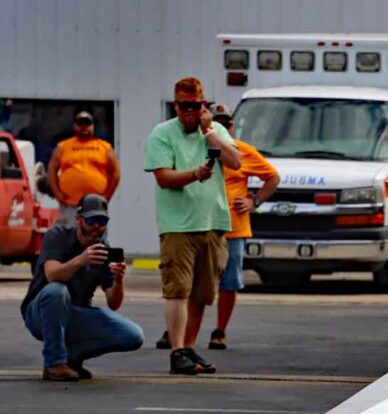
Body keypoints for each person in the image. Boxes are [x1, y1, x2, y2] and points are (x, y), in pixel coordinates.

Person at [143, 77, 241, 375]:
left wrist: (209, 131)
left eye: (196, 106)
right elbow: (163, 177)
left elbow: (235, 161)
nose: (190, 111)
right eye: (184, 106)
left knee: (201, 293)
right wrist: (194, 174)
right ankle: (177, 352)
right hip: (178, 225)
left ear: (204, 105)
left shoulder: (216, 131)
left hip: (213, 222)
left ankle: (188, 347)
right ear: (176, 105)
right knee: (178, 290)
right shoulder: (162, 134)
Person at [20, 194, 143, 381]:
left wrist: (118, 280)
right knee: (57, 291)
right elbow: (52, 275)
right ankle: (55, 364)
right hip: (41, 313)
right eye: (91, 220)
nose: (96, 227)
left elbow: (114, 303)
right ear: (78, 219)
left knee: (132, 335)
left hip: (76, 313)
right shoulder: (57, 236)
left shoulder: (103, 249)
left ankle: (71, 357)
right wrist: (81, 260)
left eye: (101, 221)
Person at [207, 103, 279, 349]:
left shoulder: (243, 151)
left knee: (229, 282)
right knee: (193, 281)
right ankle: (178, 330)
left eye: (227, 122)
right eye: (218, 122)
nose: (223, 126)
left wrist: (254, 201)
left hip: (233, 228)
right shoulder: (196, 148)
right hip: (202, 225)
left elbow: (273, 177)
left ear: (232, 125)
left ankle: (220, 330)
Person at [47, 111, 121, 227]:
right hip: (70, 204)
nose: (84, 128)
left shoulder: (104, 147)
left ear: (93, 126)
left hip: (96, 206)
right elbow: (51, 170)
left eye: (87, 124)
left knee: (95, 237)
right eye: (80, 124)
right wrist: (57, 194)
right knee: (70, 237)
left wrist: (107, 196)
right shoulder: (63, 146)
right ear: (74, 126)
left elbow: (115, 173)